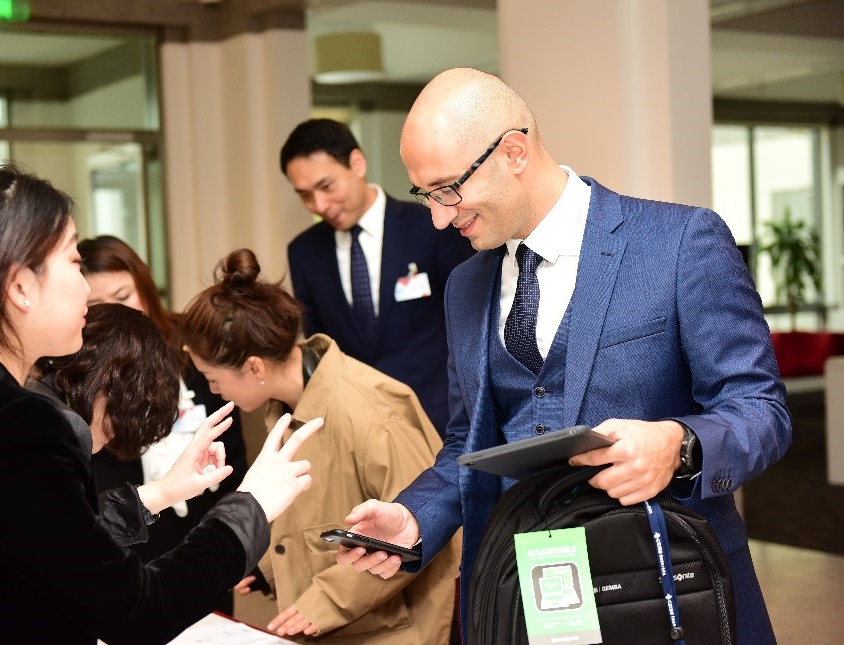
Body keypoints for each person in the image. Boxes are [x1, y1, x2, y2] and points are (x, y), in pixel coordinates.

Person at [335, 68, 792, 645]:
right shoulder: (464, 286)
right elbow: (468, 444)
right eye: (424, 194)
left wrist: (680, 444)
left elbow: (762, 411)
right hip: (524, 596)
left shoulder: (680, 244)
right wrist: (414, 517)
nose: (439, 216)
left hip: (668, 589)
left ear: (515, 151)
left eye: (448, 189)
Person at [0, 164, 321, 644]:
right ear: (20, 286)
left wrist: (163, 492)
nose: (88, 287)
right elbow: (136, 609)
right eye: (72, 261)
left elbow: (37, 542)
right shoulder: (16, 422)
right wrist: (248, 509)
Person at [180, 247, 461, 643]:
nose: (214, 390)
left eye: (213, 378)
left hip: (394, 630)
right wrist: (268, 567)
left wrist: (325, 602)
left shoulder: (373, 411)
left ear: (254, 367)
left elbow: (420, 530)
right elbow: (315, 518)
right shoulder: (284, 407)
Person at [281, 118, 474, 434]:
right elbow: (321, 353)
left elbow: (470, 325)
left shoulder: (431, 227)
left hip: (442, 420)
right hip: (359, 429)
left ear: (356, 163)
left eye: (327, 187)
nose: (320, 205)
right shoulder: (304, 252)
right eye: (305, 195)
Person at [77, 235, 248, 574]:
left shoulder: (192, 343)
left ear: (145, 287)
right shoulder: (79, 370)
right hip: (130, 537)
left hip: (204, 525)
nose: (119, 311)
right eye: (98, 304)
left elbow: (231, 448)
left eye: (124, 296)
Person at [31, 302, 236, 547]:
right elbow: (69, 538)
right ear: (115, 386)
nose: (116, 433)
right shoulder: (66, 427)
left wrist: (164, 491)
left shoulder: (33, 397)